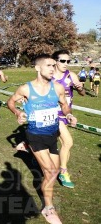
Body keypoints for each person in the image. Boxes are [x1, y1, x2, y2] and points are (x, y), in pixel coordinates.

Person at [7, 54, 76, 224]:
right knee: (51, 172)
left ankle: (47, 199)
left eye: (54, 65)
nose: (53, 68)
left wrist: (68, 115)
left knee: (52, 173)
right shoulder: (26, 89)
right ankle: (49, 208)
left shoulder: (58, 88)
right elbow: (10, 102)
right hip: (35, 135)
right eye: (49, 65)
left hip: (52, 134)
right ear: (38, 68)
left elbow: (64, 105)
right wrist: (18, 113)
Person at [51, 50, 85, 189]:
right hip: (53, 114)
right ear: (55, 62)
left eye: (68, 61)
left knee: (61, 144)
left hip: (66, 113)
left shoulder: (71, 75)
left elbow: (82, 93)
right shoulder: (49, 75)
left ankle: (35, 149)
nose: (66, 64)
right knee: (68, 142)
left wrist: (80, 88)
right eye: (63, 61)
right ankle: (63, 172)